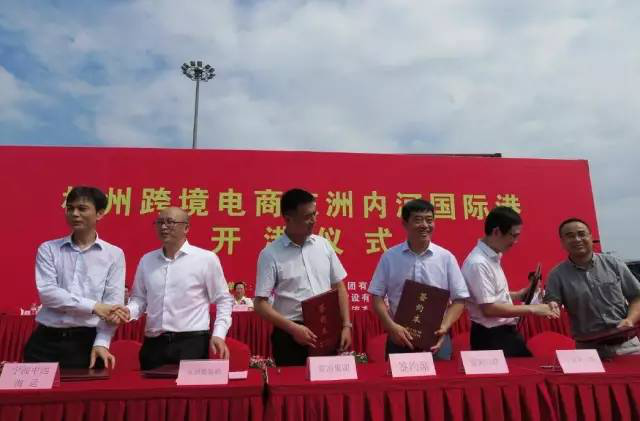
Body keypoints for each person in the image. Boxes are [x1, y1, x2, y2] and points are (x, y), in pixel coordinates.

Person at [114, 207, 234, 370]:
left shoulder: (206, 259)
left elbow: (223, 300)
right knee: (148, 385)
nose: (163, 227)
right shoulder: (147, 260)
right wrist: (128, 311)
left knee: (188, 388)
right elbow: (139, 299)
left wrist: (219, 334)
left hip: (191, 344)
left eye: (170, 222)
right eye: (159, 222)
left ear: (186, 228)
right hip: (154, 344)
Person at [23, 186, 124, 369]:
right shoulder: (49, 249)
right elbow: (48, 294)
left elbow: (112, 306)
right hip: (45, 341)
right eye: (70, 208)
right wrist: (94, 306)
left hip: (86, 343)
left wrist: (102, 342)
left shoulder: (114, 254)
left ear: (100, 214)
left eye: (82, 208)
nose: (75, 214)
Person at [254, 188, 352, 366]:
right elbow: (260, 304)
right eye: (307, 216)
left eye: (314, 214)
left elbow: (339, 286)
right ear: (288, 219)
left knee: (327, 381)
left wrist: (346, 325)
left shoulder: (323, 245)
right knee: (293, 383)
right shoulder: (270, 254)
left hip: (325, 329)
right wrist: (293, 329)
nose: (313, 220)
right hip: (290, 335)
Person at [368, 199, 470, 360]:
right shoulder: (390, 257)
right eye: (418, 220)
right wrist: (391, 326)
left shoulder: (446, 258)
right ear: (405, 223)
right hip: (399, 338)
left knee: (442, 376)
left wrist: (444, 326)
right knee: (398, 377)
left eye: (429, 220)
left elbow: (460, 299)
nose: (425, 225)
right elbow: (376, 296)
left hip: (437, 338)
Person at [461, 206, 559, 357]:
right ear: (496, 232)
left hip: (503, 334)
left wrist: (520, 295)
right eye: (513, 236)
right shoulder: (478, 263)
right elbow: (489, 308)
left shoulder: (491, 258)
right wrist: (533, 309)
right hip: (491, 338)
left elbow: (494, 296)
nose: (515, 241)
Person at [545, 218, 640, 358]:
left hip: (628, 346)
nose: (577, 239)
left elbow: (637, 297)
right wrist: (551, 306)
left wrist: (630, 320)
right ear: (562, 242)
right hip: (589, 351)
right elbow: (551, 305)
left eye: (581, 234)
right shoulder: (556, 275)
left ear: (590, 236)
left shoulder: (614, 264)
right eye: (570, 236)